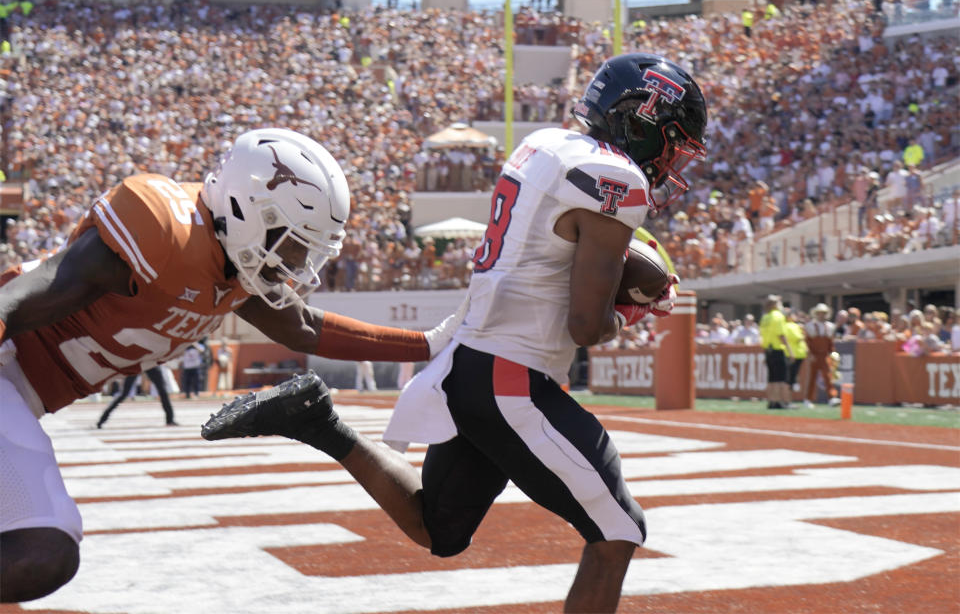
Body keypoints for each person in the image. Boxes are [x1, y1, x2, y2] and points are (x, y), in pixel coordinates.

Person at [202, 52, 706, 613]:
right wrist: (635, 310)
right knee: (619, 531)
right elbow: (585, 326)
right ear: (639, 120)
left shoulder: (543, 144)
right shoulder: (617, 179)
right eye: (671, 139)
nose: (670, 157)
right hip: (513, 378)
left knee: (437, 528)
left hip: (468, 366)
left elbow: (548, 255)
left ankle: (318, 422)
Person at [0, 128, 463, 603]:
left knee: (41, 547)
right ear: (246, 210)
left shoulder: (230, 265)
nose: (297, 262)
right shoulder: (165, 231)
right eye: (291, 242)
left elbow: (303, 326)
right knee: (43, 547)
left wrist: (426, 345)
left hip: (21, 393)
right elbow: (13, 303)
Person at [96, 366, 177, 428]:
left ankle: (170, 419)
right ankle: (102, 420)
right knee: (124, 393)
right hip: (139, 362)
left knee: (163, 391)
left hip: (149, 362)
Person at [760, 294, 795, 409]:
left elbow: (763, 336)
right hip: (778, 349)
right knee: (780, 378)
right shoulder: (778, 316)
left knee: (771, 378)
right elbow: (781, 335)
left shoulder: (765, 317)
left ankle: (771, 401)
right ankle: (779, 401)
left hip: (768, 350)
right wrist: (790, 352)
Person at [803, 303, 836, 407]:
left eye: (824, 313)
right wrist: (810, 354)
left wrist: (832, 354)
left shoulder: (830, 326)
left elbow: (830, 343)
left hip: (825, 355)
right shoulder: (810, 326)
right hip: (814, 355)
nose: (821, 315)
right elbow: (807, 342)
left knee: (828, 376)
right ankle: (808, 399)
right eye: (820, 313)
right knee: (812, 377)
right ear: (816, 314)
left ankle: (832, 398)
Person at [783, 309, 808, 406]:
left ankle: (788, 401)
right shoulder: (789, 326)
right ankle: (787, 401)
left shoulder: (794, 325)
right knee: (789, 379)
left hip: (798, 354)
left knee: (791, 379)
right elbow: (798, 338)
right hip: (793, 354)